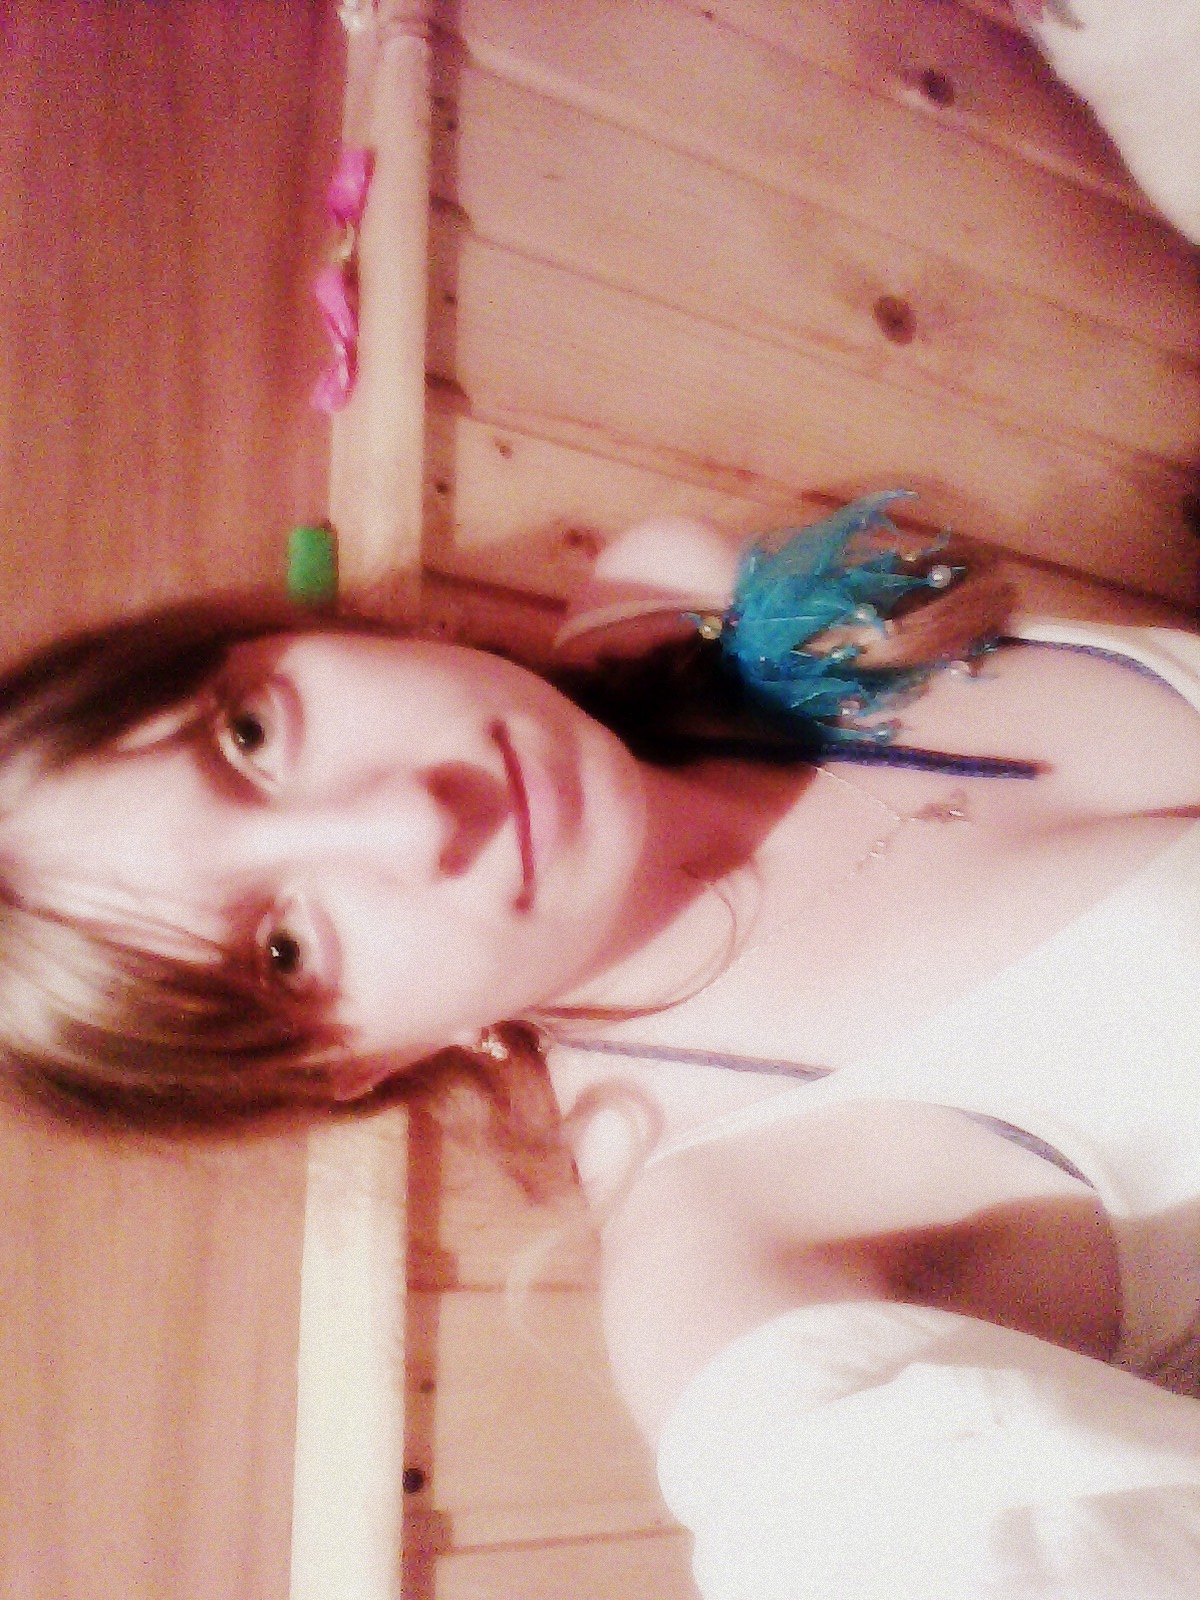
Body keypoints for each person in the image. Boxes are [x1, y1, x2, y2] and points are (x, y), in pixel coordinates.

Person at [4, 499, 1200, 1596]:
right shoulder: (735, 1256)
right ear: (351, 1068)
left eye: (250, 732)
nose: (414, 814)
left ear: (295, 636)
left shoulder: (662, 593)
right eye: (283, 951)